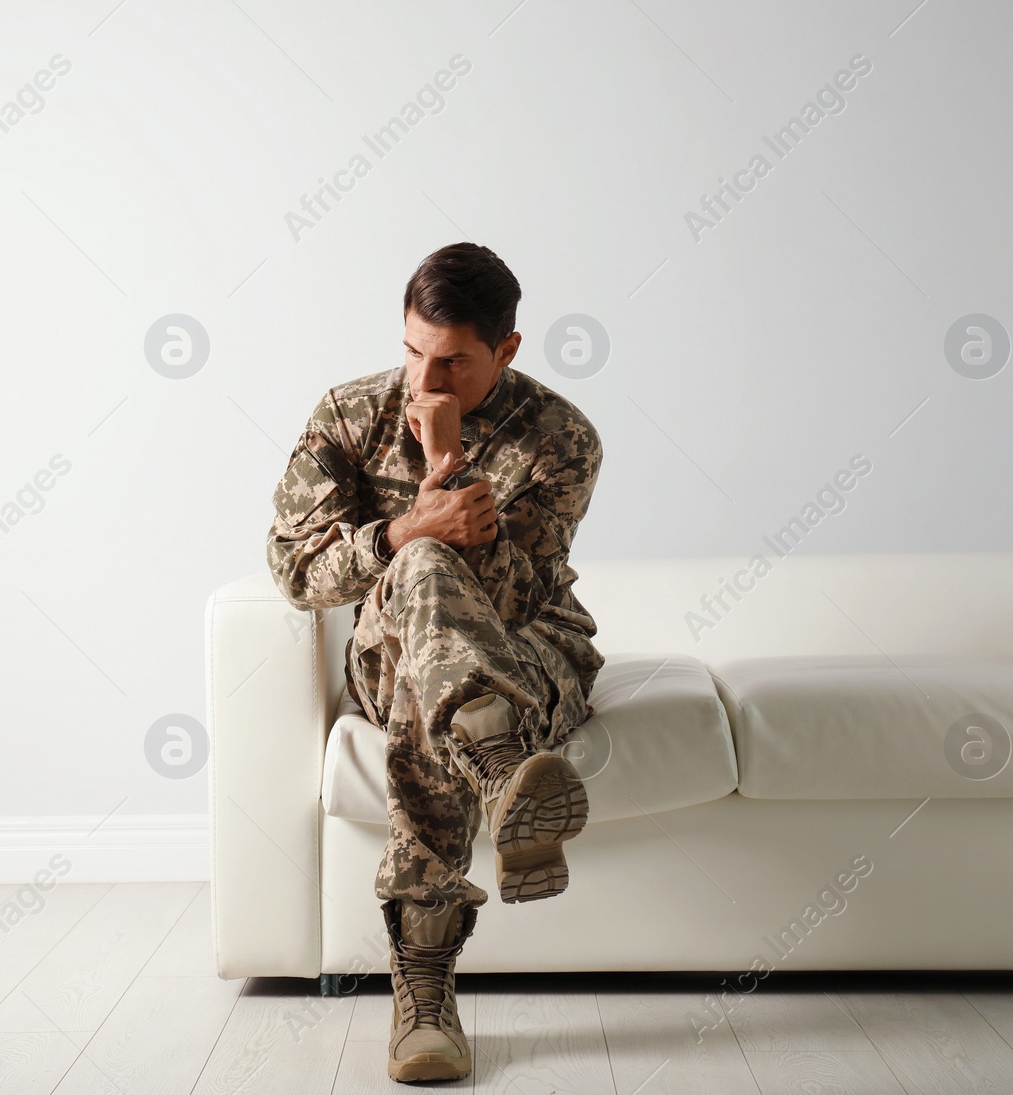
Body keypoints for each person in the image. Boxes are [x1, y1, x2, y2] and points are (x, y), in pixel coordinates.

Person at [266, 241, 605, 1084]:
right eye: (415, 351)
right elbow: (295, 569)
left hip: (532, 652)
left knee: (437, 659)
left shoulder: (561, 438)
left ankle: (424, 986)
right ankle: (497, 765)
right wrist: (406, 530)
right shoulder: (350, 415)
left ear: (508, 350)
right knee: (417, 567)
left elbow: (516, 605)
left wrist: (453, 484)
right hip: (391, 651)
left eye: (453, 361)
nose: (426, 379)